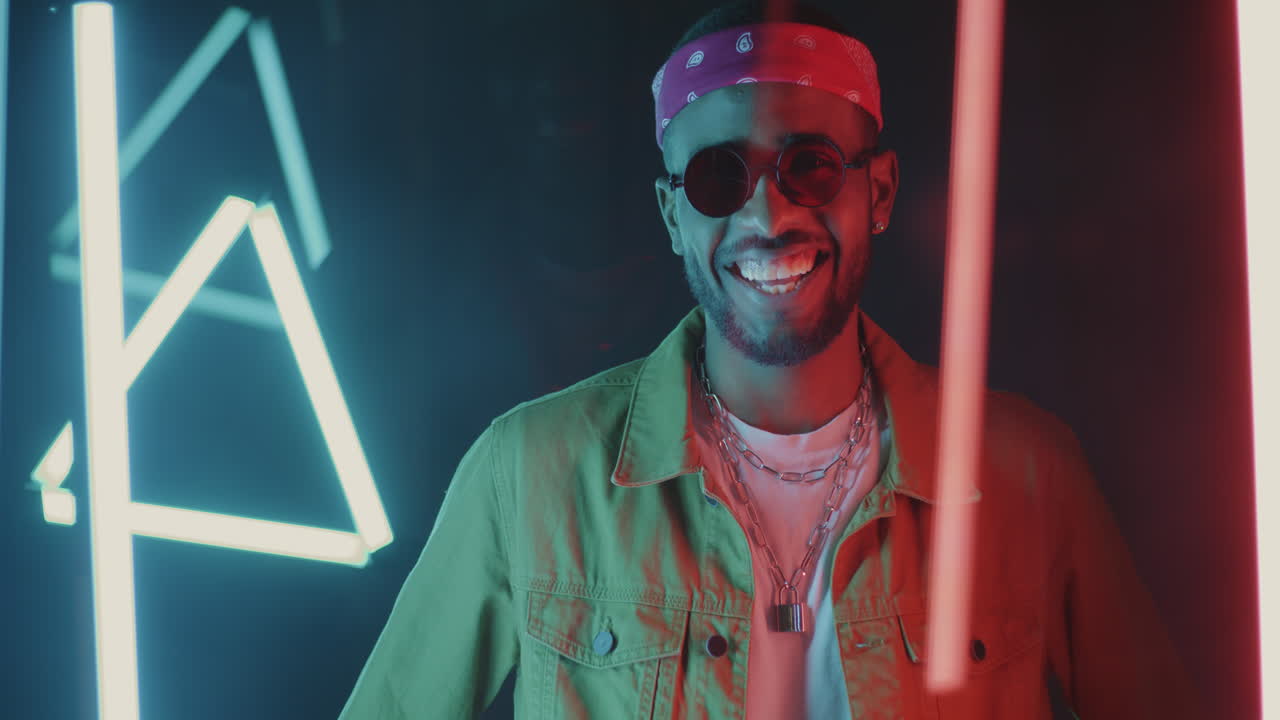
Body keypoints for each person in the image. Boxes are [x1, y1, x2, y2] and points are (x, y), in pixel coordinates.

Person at [338, 1, 1200, 718]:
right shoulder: (528, 474)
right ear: (674, 216)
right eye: (719, 177)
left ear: (882, 192)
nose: (767, 215)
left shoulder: (1028, 477)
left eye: (810, 167)